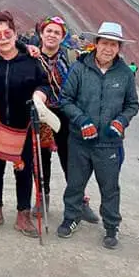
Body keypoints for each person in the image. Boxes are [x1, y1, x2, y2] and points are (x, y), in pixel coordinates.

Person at [57, 22, 139, 249]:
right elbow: (66, 99)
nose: (108, 49)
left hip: (109, 143)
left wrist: (121, 121)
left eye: (114, 45)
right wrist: (82, 120)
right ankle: (71, 218)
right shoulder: (80, 68)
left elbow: (132, 104)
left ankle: (111, 227)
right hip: (79, 140)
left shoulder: (125, 74)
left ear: (119, 48)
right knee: (75, 183)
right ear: (96, 44)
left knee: (110, 187)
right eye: (105, 43)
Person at [0, 11, 50, 237]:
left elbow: (45, 84)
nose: (2, 38)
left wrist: (40, 94)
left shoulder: (31, 60)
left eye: (7, 33)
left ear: (15, 33)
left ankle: (23, 214)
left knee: (25, 169)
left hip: (25, 126)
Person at [34, 16, 99, 222]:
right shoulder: (31, 57)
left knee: (71, 159)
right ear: (41, 33)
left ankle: (79, 200)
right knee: (40, 157)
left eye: (57, 32)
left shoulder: (73, 58)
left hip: (66, 113)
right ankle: (41, 198)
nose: (52, 35)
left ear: (62, 37)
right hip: (40, 113)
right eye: (48, 31)